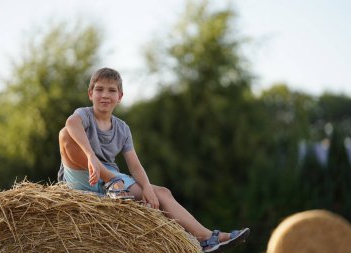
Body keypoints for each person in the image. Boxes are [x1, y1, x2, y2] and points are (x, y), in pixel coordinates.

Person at [57, 67, 250, 252]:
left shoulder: (122, 128)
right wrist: (91, 156)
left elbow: (134, 165)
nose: (105, 95)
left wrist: (148, 188)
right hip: (82, 176)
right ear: (90, 93)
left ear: (120, 97)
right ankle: (111, 181)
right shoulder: (84, 115)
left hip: (114, 181)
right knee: (65, 134)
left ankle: (207, 238)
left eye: (111, 90)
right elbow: (70, 123)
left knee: (162, 193)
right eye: (99, 89)